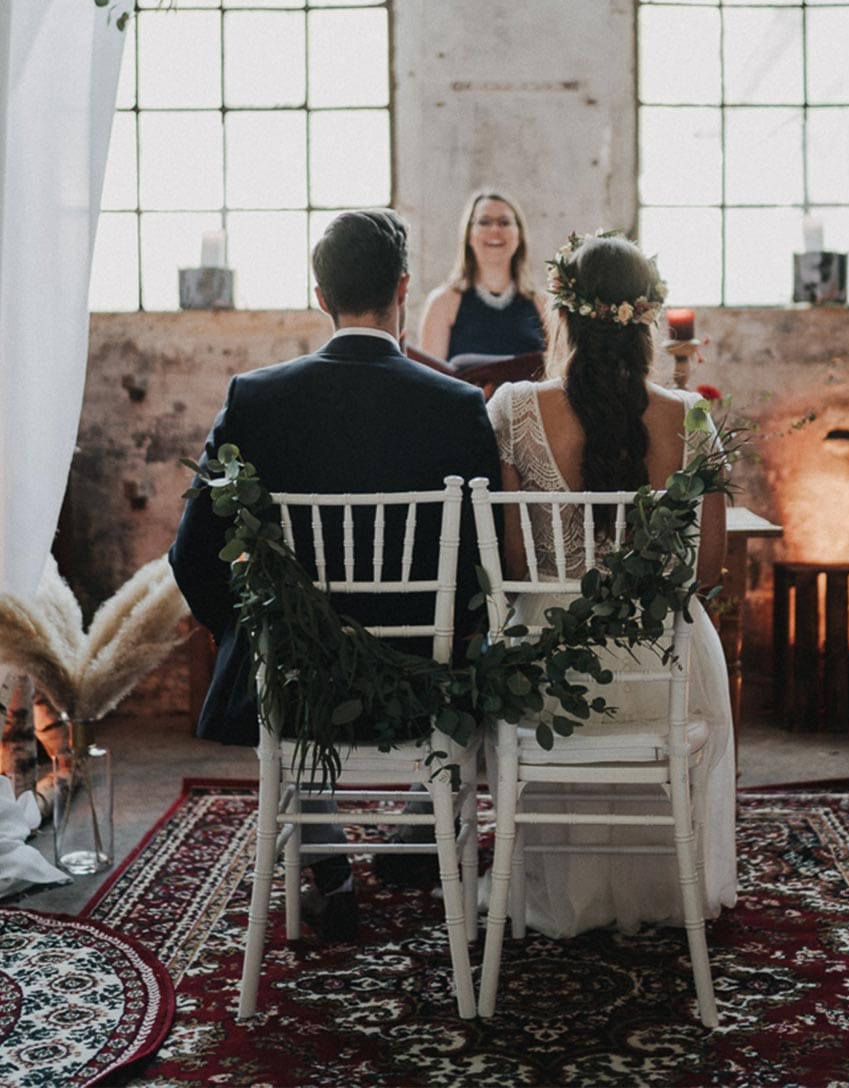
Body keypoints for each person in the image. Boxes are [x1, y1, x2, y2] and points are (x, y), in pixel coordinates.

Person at [169, 208, 501, 938]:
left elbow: (192, 553)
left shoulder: (256, 399)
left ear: (320, 295)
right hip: (422, 686)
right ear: (403, 288)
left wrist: (252, 635)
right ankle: (420, 825)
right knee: (486, 654)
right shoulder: (456, 406)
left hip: (301, 683)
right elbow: (491, 563)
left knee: (280, 667)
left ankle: (329, 868)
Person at [485, 230, 737, 938]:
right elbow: (708, 572)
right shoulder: (691, 417)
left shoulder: (513, 410)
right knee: (691, 659)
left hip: (552, 666)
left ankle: (563, 888)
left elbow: (512, 568)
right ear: (647, 319)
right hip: (662, 664)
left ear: (563, 314)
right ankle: (662, 884)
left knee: (512, 650)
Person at [418, 191, 547, 365]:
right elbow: (430, 378)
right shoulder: (442, 303)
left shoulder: (544, 304)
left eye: (504, 222)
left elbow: (560, 374)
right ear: (468, 235)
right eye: (484, 222)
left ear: (519, 235)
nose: (495, 230)